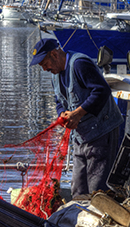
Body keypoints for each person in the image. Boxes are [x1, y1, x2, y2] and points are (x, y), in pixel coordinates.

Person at [29, 38, 124, 199]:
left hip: (102, 132)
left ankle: (100, 219)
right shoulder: (55, 74)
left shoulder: (79, 64)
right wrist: (62, 114)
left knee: (97, 188)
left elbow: (101, 91)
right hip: (80, 137)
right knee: (78, 188)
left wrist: (78, 113)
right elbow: (58, 100)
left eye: (45, 64)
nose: (45, 69)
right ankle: (78, 217)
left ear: (54, 54)